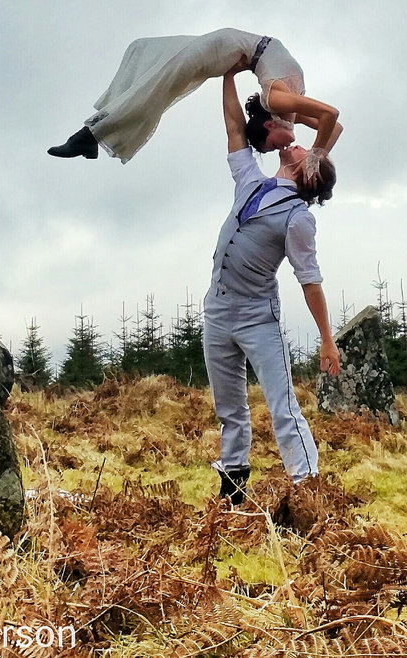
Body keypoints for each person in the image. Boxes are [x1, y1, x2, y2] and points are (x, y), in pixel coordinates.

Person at [204, 68, 339, 505]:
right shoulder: (252, 181)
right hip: (218, 312)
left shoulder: (299, 217)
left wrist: (326, 340)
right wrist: (225, 69)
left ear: (306, 172)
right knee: (229, 409)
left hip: (258, 318)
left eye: (303, 148)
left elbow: (310, 281)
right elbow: (232, 125)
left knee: (282, 407)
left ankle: (308, 491)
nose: (296, 143)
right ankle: (233, 491)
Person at [47, 27, 342, 171]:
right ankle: (92, 135)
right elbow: (331, 115)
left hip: (233, 51)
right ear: (268, 127)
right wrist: (315, 158)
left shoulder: (283, 111)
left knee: (159, 78)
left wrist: (314, 160)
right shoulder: (278, 103)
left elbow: (334, 128)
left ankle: (92, 135)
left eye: (276, 147)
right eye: (277, 145)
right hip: (229, 47)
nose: (286, 145)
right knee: (159, 80)